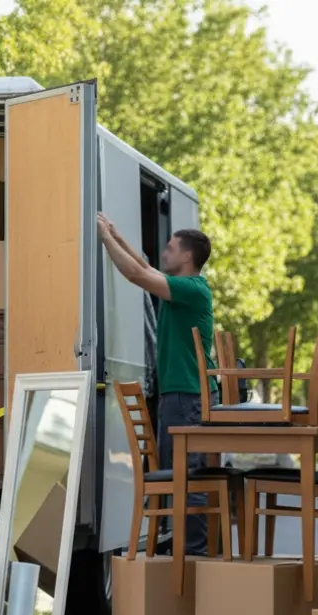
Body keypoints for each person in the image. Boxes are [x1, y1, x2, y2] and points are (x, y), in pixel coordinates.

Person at [96, 213, 215, 556]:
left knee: (187, 481)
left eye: (170, 248)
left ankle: (194, 557)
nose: (164, 253)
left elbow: (136, 275)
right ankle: (184, 553)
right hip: (178, 397)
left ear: (187, 256)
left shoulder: (191, 290)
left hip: (187, 398)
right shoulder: (182, 289)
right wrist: (116, 237)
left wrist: (104, 239)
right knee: (180, 478)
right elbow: (145, 268)